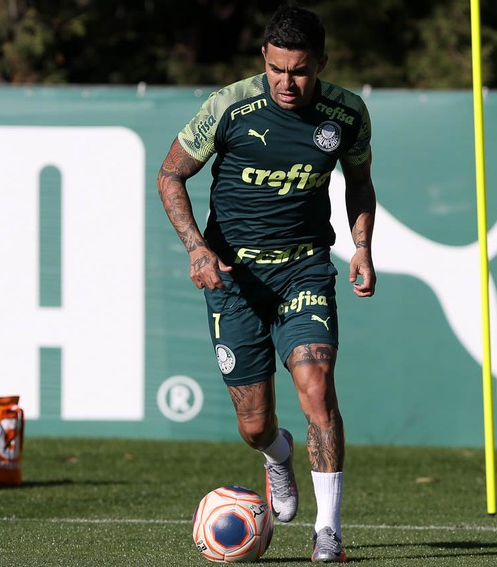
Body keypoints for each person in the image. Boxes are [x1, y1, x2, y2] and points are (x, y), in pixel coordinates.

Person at [156, 4, 376, 563]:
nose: (286, 81)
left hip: (305, 267)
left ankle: (328, 532)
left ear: (321, 63)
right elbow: (170, 174)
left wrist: (362, 248)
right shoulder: (228, 106)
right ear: (264, 59)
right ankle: (276, 456)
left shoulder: (346, 114)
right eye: (277, 68)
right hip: (233, 278)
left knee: (318, 388)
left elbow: (359, 184)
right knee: (254, 425)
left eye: (299, 70)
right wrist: (197, 248)